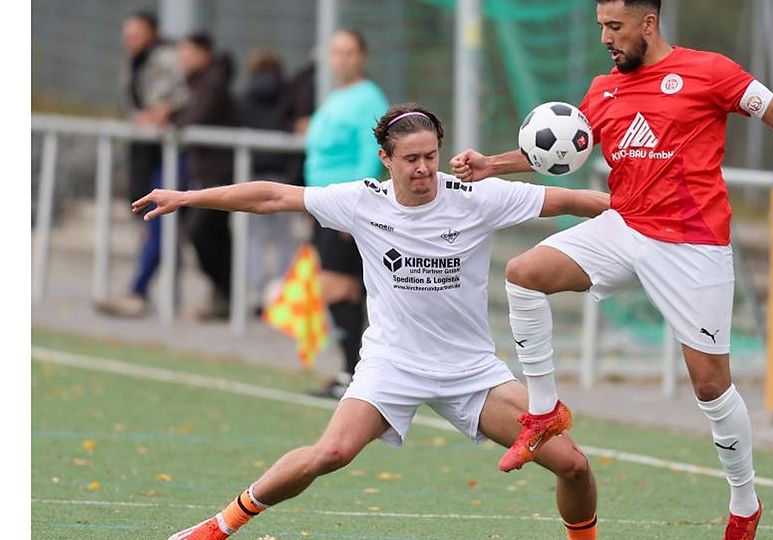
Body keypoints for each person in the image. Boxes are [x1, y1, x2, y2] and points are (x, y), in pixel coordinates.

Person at [449, 1, 773, 538]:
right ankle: (543, 412)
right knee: (524, 272)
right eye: (600, 28)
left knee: (710, 386)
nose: (605, 39)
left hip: (693, 244)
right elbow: (562, 146)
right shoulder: (602, 90)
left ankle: (744, 503)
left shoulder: (709, 72)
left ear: (648, 23)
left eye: (614, 28)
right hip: (626, 227)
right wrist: (492, 165)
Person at [135, 104, 608, 540]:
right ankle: (219, 526)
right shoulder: (362, 201)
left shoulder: (478, 198)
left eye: (430, 156)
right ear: (385, 158)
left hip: (471, 371)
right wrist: (188, 196)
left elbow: (572, 201)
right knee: (330, 454)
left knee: (573, 466)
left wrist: (642, 212)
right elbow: (272, 197)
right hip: (393, 364)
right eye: (410, 159)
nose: (423, 168)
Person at [302, 30, 389, 398]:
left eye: (349, 52)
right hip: (322, 204)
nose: (342, 59)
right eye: (336, 52)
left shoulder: (369, 98)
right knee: (340, 287)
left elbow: (369, 155)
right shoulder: (336, 96)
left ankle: (355, 374)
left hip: (344, 207)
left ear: (362, 56)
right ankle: (352, 371)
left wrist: (355, 209)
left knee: (341, 286)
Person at [95, 10, 187, 317]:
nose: (129, 38)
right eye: (127, 32)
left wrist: (162, 113)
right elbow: (131, 105)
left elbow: (176, 100)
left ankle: (138, 290)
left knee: (160, 220)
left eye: (136, 32)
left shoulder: (167, 58)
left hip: (171, 153)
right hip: (145, 151)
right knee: (151, 221)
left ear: (151, 32)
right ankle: (146, 290)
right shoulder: (131, 60)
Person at [172, 32, 239, 320]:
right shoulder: (200, 81)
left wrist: (171, 118)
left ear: (204, 53)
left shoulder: (213, 82)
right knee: (212, 235)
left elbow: (195, 117)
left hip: (218, 174)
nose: (182, 58)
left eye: (188, 52)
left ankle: (226, 294)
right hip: (207, 172)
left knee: (202, 233)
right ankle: (223, 295)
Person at [236, 50, 298, 313]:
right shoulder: (289, 95)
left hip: (253, 173)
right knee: (284, 239)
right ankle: (281, 292)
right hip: (283, 175)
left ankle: (257, 293)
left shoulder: (244, 96)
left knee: (254, 238)